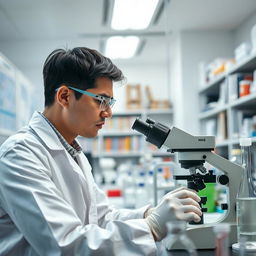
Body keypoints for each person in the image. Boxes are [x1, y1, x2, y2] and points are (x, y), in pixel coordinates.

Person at [0, 47, 202, 255]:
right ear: (65, 96)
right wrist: (151, 227)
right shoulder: (19, 155)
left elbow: (101, 218)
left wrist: (149, 214)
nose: (108, 112)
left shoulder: (73, 152)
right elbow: (65, 244)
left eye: (110, 102)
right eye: (100, 100)